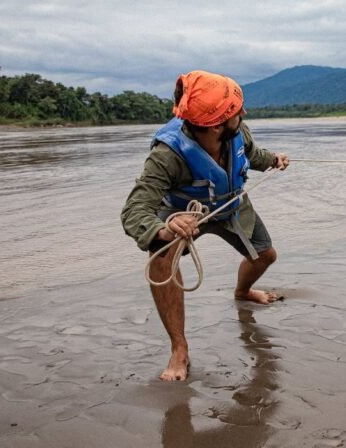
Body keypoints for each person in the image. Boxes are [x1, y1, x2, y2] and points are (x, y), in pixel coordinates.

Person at [121, 69, 289, 381]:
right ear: (214, 126)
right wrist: (164, 229)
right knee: (160, 259)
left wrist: (273, 160)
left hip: (231, 203)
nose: (243, 113)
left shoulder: (236, 131)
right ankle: (179, 348)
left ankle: (242, 291)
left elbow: (250, 153)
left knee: (266, 256)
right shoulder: (166, 155)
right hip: (183, 212)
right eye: (235, 112)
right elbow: (134, 209)